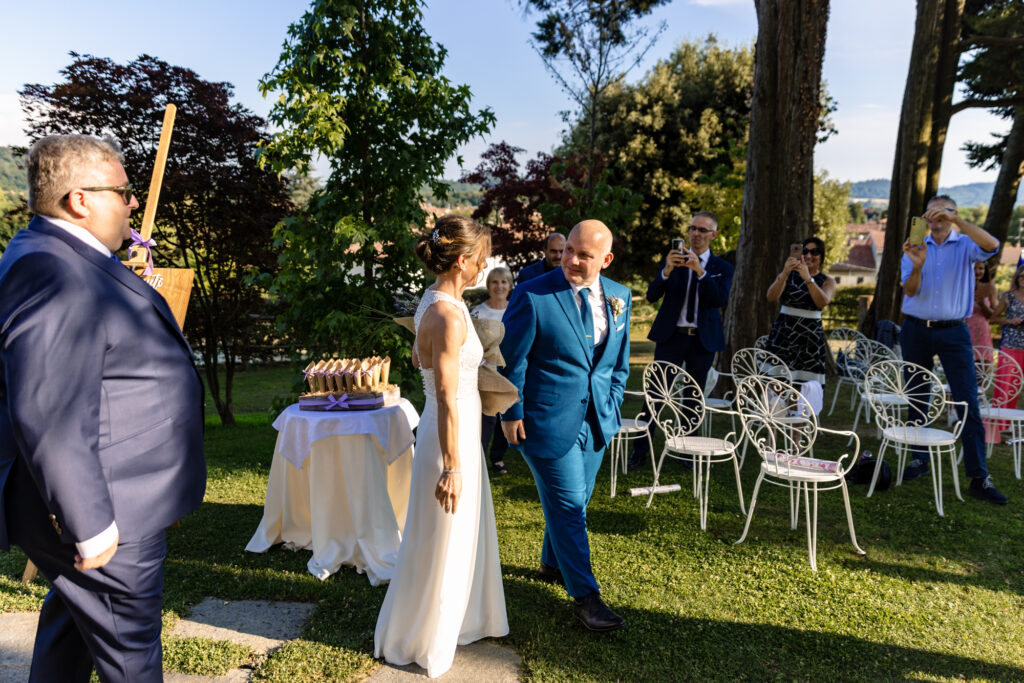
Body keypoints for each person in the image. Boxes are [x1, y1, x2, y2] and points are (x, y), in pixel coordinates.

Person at [0, 134, 206, 681]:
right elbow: (49, 409)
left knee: (72, 625)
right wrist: (91, 525)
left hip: (122, 490)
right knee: (130, 659)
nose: (133, 203)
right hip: (108, 507)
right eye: (122, 190)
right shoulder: (53, 271)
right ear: (80, 200)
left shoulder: (66, 255)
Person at [375, 214, 508, 678]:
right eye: (482, 258)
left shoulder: (433, 302)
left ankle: (459, 619)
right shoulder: (448, 316)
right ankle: (422, 634)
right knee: (441, 536)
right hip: (448, 436)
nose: (485, 266)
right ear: (463, 260)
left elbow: (420, 360)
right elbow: (448, 397)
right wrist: (452, 467)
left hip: (454, 429)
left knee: (448, 533)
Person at [500, 219, 631, 632]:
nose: (571, 259)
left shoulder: (620, 297)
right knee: (570, 506)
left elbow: (618, 364)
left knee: (577, 500)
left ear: (605, 260)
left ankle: (551, 562)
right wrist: (511, 411)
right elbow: (511, 360)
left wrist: (611, 404)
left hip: (596, 420)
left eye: (584, 255)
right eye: (569, 250)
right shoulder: (532, 295)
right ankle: (587, 599)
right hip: (545, 419)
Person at [900, 194, 1007, 504]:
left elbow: (992, 245)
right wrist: (918, 266)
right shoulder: (914, 245)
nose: (935, 217)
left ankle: (978, 476)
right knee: (917, 395)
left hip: (955, 332)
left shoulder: (965, 244)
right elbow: (910, 290)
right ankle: (919, 459)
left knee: (967, 401)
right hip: (916, 329)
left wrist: (957, 221)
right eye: (930, 213)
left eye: (943, 212)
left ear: (953, 215)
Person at [628, 211, 733, 471]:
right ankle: (640, 450)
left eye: (702, 230)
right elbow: (652, 295)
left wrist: (700, 271)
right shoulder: (673, 262)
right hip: (671, 337)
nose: (696, 234)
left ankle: (687, 452)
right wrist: (666, 270)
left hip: (702, 340)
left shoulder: (722, 268)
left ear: (713, 235)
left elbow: (720, 300)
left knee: (693, 397)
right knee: (655, 394)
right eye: (693, 229)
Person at [765, 236, 836, 385]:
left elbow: (822, 302)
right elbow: (771, 297)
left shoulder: (827, 281)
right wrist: (784, 273)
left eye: (815, 252)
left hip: (809, 338)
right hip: (783, 334)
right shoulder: (787, 276)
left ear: (821, 257)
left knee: (805, 386)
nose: (809, 256)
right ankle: (777, 408)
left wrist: (808, 279)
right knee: (777, 382)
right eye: (805, 251)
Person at [471, 266, 513, 475]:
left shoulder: (515, 309)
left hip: (510, 369)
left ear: (510, 285)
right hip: (486, 371)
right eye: (495, 282)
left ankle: (497, 458)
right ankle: (477, 458)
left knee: (505, 414)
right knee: (487, 418)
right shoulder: (479, 312)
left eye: (504, 282)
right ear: (488, 285)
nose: (499, 286)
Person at [987, 265, 1024, 438]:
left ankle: (1014, 424)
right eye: (1021, 276)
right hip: (1010, 346)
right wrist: (1010, 321)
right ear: (1016, 278)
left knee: (1017, 387)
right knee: (1005, 385)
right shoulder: (1007, 296)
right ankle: (1000, 424)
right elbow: (993, 318)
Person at [967, 261, 996, 354]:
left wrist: (983, 305)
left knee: (982, 363)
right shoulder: (962, 286)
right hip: (962, 329)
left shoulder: (990, 287)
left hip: (981, 331)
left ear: (985, 270)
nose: (977, 271)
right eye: (974, 268)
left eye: (981, 268)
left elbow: (994, 315)